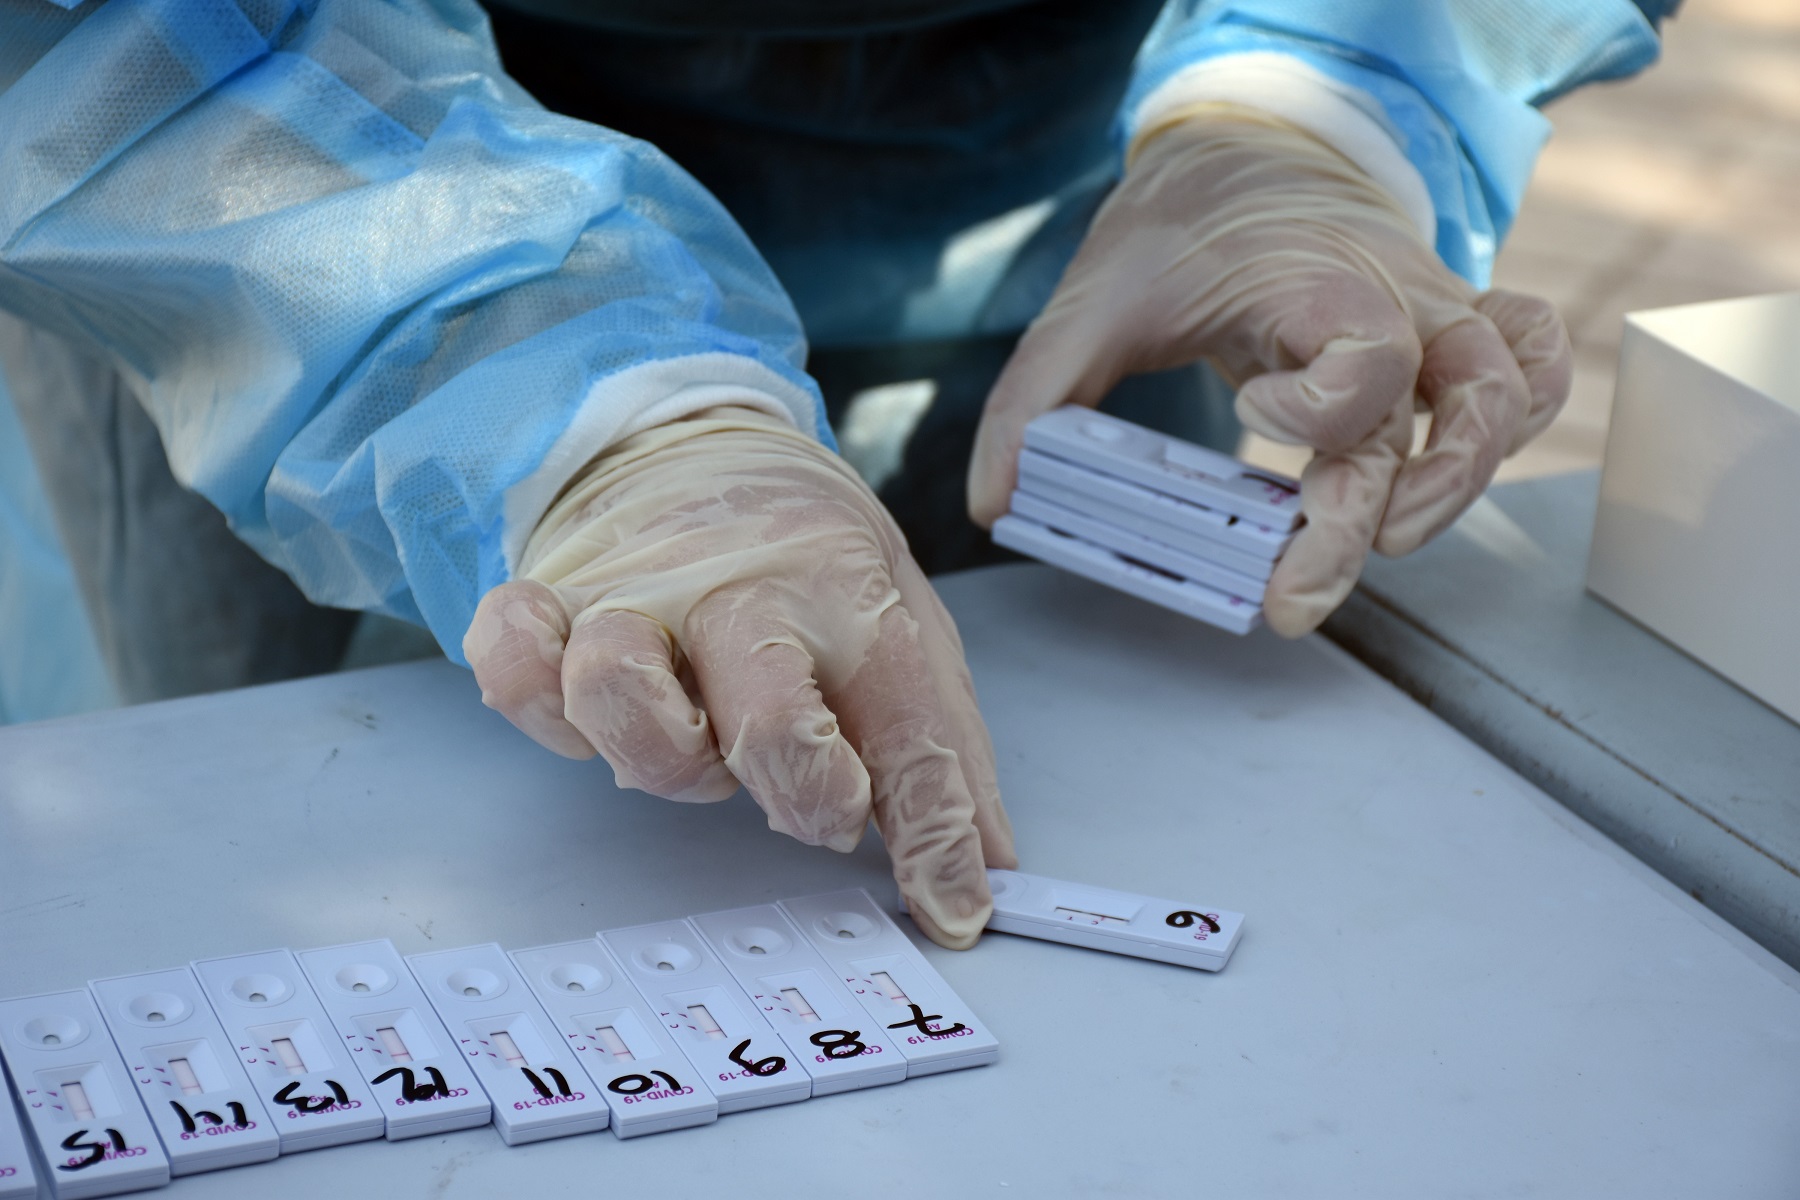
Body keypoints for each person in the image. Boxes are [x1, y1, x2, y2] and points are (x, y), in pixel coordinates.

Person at [0, 0, 1675, 946]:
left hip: (1082, 214)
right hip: (304, 216)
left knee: (1084, 773)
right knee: (359, 891)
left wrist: (1322, 108)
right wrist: (554, 396)